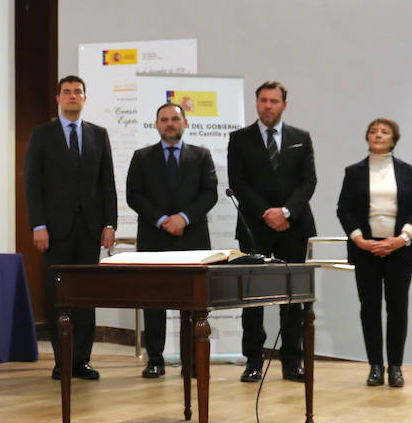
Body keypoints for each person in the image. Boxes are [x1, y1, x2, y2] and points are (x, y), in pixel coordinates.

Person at [24, 75, 118, 380]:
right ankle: (62, 360)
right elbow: (32, 184)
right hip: (54, 231)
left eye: (78, 92)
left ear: (85, 98)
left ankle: (82, 360)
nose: (72, 96)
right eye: (67, 92)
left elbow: (107, 184)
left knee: (86, 296)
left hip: (90, 230)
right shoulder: (42, 135)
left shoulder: (98, 135)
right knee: (59, 296)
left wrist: (109, 223)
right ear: (58, 99)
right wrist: (38, 224)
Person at [227, 80, 317, 382]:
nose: (268, 106)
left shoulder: (300, 138)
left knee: (292, 297)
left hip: (294, 227)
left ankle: (292, 361)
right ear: (257, 103)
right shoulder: (239, 139)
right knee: (251, 297)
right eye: (263, 100)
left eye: (274, 101)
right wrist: (267, 214)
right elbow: (238, 183)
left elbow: (309, 182)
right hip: (255, 228)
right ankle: (253, 360)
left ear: (284, 105)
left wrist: (286, 212)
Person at [125, 103, 218, 377]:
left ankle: (191, 361)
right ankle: (155, 359)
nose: (169, 124)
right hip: (155, 239)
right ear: (156, 125)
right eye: (164, 120)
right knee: (154, 302)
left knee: (192, 304)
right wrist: (163, 220)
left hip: (192, 240)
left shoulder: (201, 156)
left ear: (185, 123)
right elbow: (134, 195)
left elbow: (209, 193)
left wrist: (183, 218)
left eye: (175, 119)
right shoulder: (142, 157)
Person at [335, 118, 412, 388]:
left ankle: (395, 367)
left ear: (394, 139)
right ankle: (375, 366)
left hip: (399, 249)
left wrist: (402, 239)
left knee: (398, 308)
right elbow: (344, 209)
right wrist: (359, 239)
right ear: (367, 137)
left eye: (384, 132)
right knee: (370, 308)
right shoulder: (354, 172)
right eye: (373, 131)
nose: (378, 135)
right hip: (366, 250)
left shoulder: (407, 171)